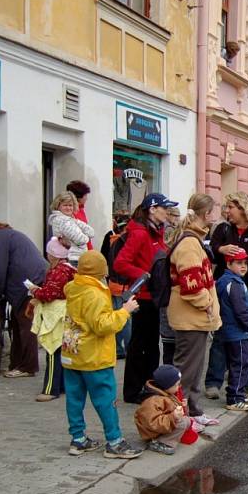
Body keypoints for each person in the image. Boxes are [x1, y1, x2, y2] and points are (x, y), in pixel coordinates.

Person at [62, 251, 142, 458]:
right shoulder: (96, 293)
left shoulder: (73, 288)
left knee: (74, 399)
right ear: (102, 272)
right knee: (105, 400)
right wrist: (125, 310)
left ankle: (78, 439)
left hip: (73, 352)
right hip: (95, 357)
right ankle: (114, 442)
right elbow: (102, 325)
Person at [113, 193, 176, 403]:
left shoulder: (154, 232)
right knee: (140, 346)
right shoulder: (140, 233)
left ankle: (149, 386)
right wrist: (143, 274)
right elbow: (120, 263)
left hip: (152, 296)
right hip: (143, 297)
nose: (167, 212)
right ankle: (133, 391)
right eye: (164, 208)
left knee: (149, 346)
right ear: (152, 209)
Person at [206, 192, 248, 400]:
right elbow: (210, 251)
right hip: (224, 290)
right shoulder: (223, 229)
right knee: (220, 336)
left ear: (242, 208)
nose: (227, 211)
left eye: (230, 207)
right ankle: (213, 381)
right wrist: (220, 248)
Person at [167, 193, 222, 427]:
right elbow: (191, 286)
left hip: (195, 318)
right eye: (214, 209)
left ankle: (193, 410)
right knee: (186, 371)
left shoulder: (193, 239)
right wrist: (207, 304)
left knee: (194, 368)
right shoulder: (190, 243)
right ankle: (179, 415)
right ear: (206, 214)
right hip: (191, 317)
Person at [0, 216, 47, 378]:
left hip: (25, 283)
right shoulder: (5, 234)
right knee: (18, 322)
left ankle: (26, 366)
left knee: (24, 323)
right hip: (31, 278)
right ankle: (18, 364)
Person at [28, 238, 76, 402]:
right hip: (65, 313)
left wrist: (35, 291)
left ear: (54, 255)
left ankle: (50, 389)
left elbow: (49, 294)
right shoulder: (69, 270)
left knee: (52, 350)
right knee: (61, 351)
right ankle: (62, 385)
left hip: (56, 315)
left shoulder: (58, 272)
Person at [215, 248, 248, 411]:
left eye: (245, 263)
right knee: (241, 364)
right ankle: (235, 398)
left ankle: (236, 394)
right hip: (238, 332)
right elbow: (241, 309)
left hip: (231, 331)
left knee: (237, 363)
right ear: (229, 264)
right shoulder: (234, 283)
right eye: (239, 263)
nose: (243, 266)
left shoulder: (226, 280)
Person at [134, 364, 193, 455]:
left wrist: (183, 406)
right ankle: (159, 442)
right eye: (177, 385)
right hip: (152, 432)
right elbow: (153, 423)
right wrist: (173, 416)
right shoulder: (152, 401)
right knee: (182, 423)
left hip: (163, 425)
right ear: (167, 386)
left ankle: (166, 439)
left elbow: (172, 409)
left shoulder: (165, 392)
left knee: (186, 421)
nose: (179, 386)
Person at [101, 211, 132, 358]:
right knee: (125, 319)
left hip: (113, 284)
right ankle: (129, 348)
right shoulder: (126, 241)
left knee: (116, 316)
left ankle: (119, 349)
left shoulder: (111, 239)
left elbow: (104, 257)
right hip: (124, 285)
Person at [159, 205, 182, 365]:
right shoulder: (172, 255)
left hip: (166, 299)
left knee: (169, 347)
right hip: (171, 300)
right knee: (174, 348)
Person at [48, 192, 94, 264]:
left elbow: (91, 232)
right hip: (71, 259)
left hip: (76, 258)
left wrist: (76, 221)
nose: (68, 208)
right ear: (58, 206)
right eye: (65, 205)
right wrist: (87, 238)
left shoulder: (71, 220)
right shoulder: (62, 220)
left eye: (70, 205)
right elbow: (81, 240)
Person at [65, 180, 92, 250]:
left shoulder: (80, 210)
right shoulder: (70, 213)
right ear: (78, 196)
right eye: (85, 195)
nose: (87, 198)